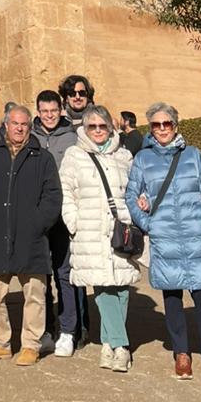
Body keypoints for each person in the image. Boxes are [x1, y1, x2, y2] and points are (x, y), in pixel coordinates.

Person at [127, 102, 201, 382]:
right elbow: (131, 195)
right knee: (172, 297)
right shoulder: (143, 159)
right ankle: (181, 352)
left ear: (175, 125)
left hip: (196, 235)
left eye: (166, 123)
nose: (161, 129)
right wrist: (147, 224)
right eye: (156, 125)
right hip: (165, 236)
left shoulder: (193, 155)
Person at [0, 105, 61, 366]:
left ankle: (31, 344)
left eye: (24, 124)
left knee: (34, 292)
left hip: (30, 236)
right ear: (6, 125)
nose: (20, 128)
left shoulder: (42, 158)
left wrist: (37, 223)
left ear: (29, 127)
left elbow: (52, 196)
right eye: (15, 123)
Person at [59, 104, 138, 373]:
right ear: (84, 128)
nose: (97, 130)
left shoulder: (124, 156)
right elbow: (65, 191)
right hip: (89, 229)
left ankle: (107, 344)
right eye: (92, 126)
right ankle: (121, 345)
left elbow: (135, 188)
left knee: (122, 285)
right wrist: (73, 221)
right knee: (102, 287)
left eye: (102, 125)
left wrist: (136, 211)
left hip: (120, 228)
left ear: (111, 127)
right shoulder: (74, 155)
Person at [32, 89, 87, 356]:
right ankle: (45, 329)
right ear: (38, 112)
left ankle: (69, 330)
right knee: (39, 275)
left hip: (64, 215)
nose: (49, 115)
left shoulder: (74, 137)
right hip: (38, 215)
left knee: (65, 273)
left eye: (53, 110)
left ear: (61, 110)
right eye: (44, 111)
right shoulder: (29, 136)